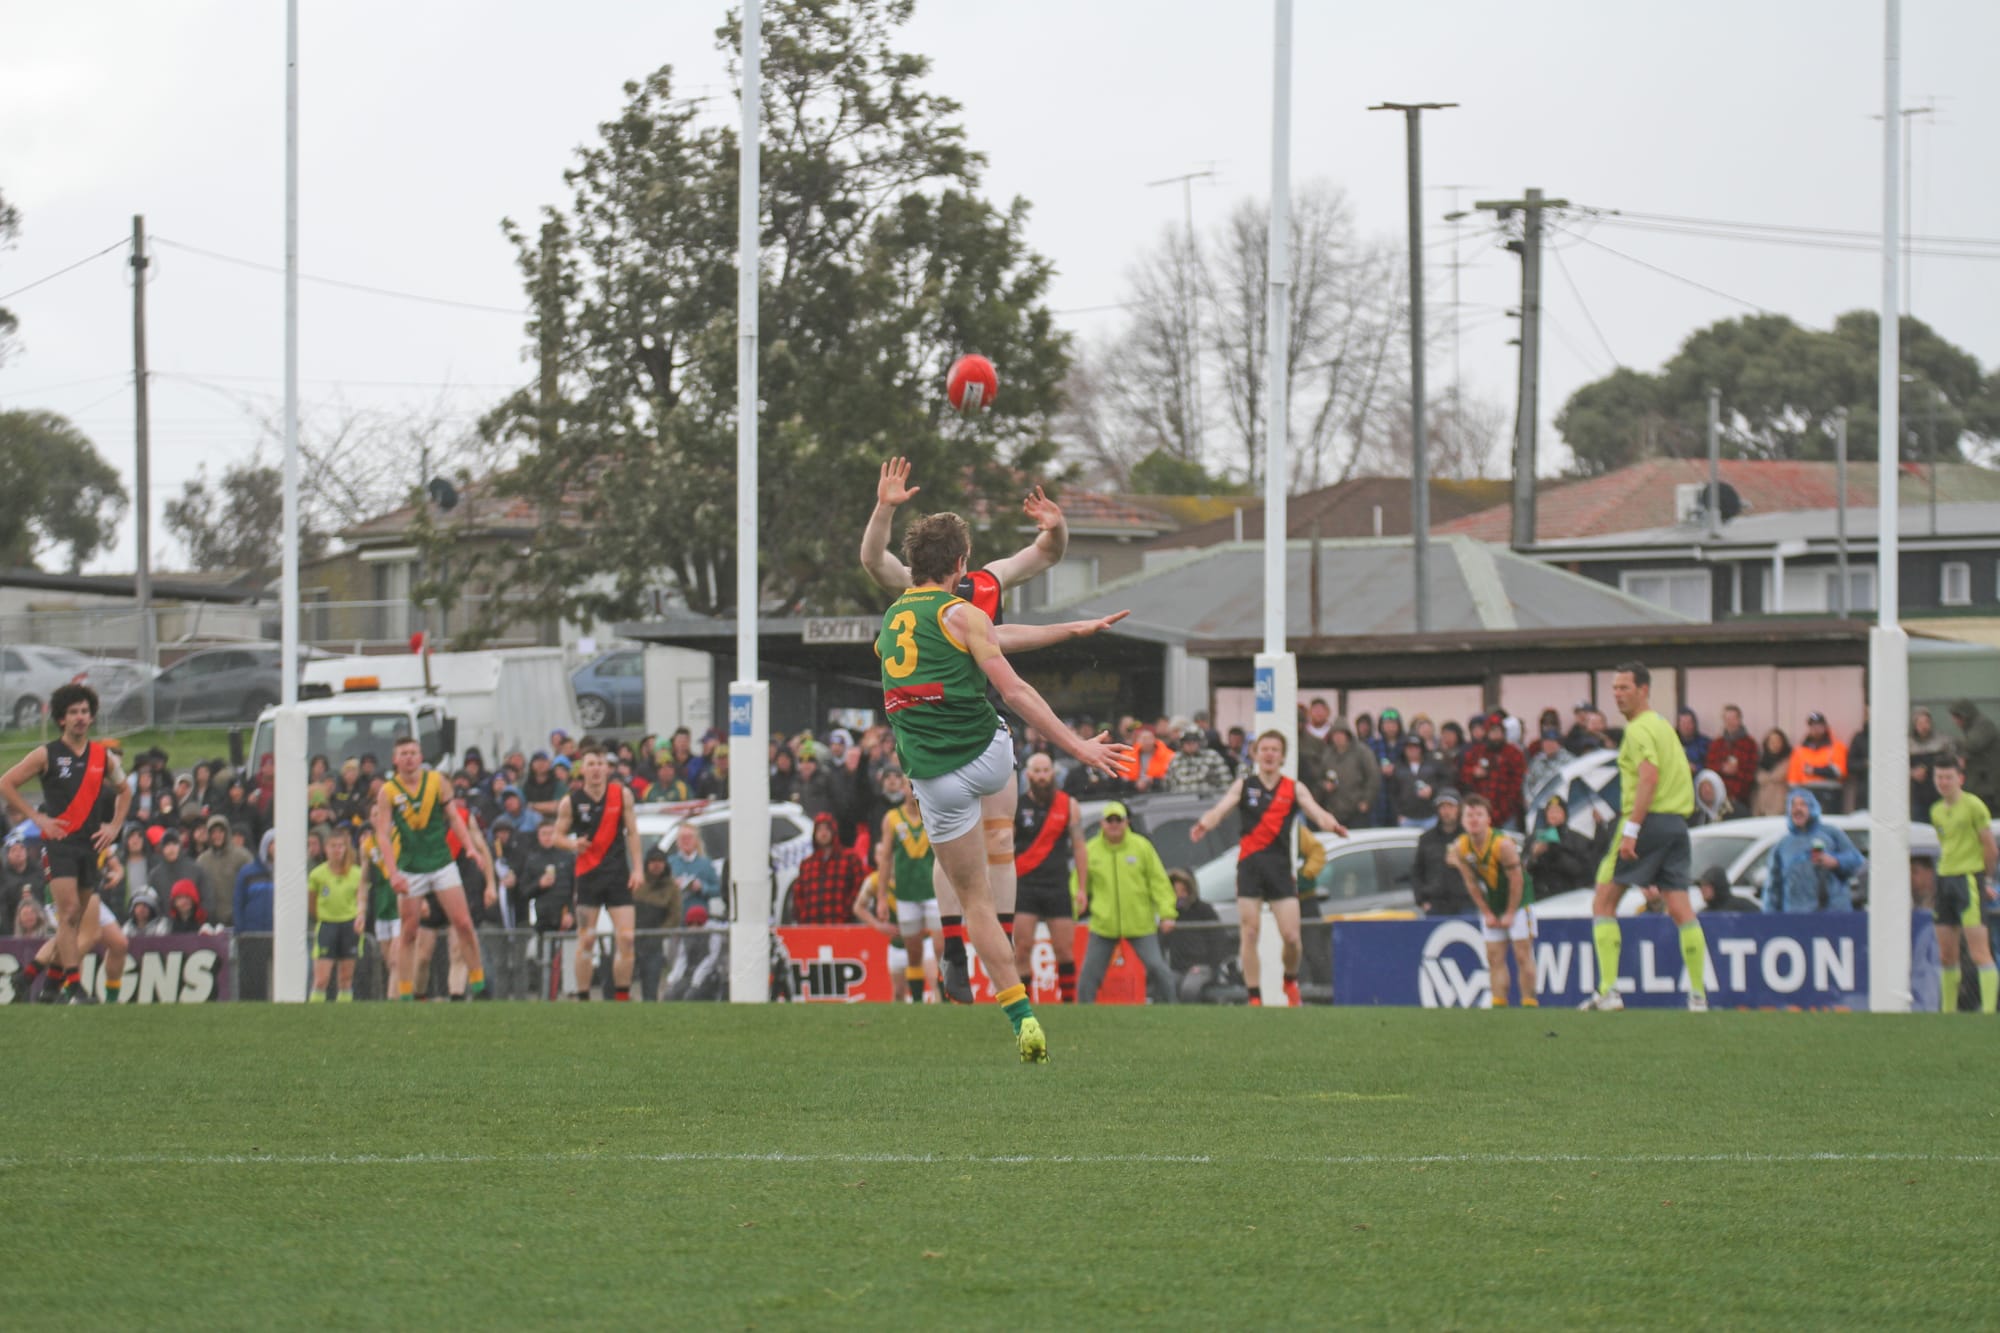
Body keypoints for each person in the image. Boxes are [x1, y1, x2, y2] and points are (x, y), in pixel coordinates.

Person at [861, 457, 1125, 1017]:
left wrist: (1057, 527)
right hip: (970, 727)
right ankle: (959, 950)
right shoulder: (932, 593)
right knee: (972, 845)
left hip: (947, 734)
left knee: (986, 838)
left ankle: (974, 947)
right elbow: (872, 560)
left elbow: (1046, 556)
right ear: (961, 559)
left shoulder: (980, 584)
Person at [1579, 662, 1710, 1012]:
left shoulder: (1637, 731)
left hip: (1646, 820)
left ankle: (1608, 990)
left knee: (1604, 901)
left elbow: (1648, 778)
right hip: (1675, 825)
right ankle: (1698, 995)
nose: (1618, 695)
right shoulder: (1664, 727)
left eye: (1625, 688)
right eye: (1615, 688)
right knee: (1681, 908)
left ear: (1644, 690)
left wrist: (1632, 830)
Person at [1189, 730, 1347, 1007]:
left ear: (1283, 756)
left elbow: (1316, 811)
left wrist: (1332, 825)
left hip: (1280, 871)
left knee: (1292, 937)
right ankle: (1254, 996)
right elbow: (1221, 808)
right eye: (1264, 749)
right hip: (1250, 868)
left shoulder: (1293, 788)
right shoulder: (1244, 785)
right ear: (1256, 754)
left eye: (1275, 749)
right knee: (1250, 932)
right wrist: (1205, 824)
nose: (1270, 754)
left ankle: (1290, 979)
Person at [0, 683, 132, 1004]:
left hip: (90, 846)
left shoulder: (102, 756)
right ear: (61, 718)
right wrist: (37, 818)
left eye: (85, 712)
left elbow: (125, 791)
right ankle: (74, 987)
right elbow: (6, 783)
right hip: (58, 843)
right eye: (73, 712)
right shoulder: (47, 753)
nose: (80, 717)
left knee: (73, 920)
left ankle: (37, 983)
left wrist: (114, 826)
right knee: (69, 911)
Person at [372, 735, 489, 1000]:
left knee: (463, 923)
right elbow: (383, 836)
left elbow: (454, 818)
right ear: (395, 759)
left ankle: (480, 986)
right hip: (411, 868)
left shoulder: (437, 781)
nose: (409, 758)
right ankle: (405, 994)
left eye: (413, 752)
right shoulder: (388, 792)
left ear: (421, 756)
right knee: (409, 931)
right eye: (404, 753)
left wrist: (469, 846)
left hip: (441, 863)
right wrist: (393, 873)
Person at [553, 742, 644, 1001]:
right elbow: (556, 837)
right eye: (591, 764)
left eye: (600, 764)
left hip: (617, 875)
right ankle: (583, 998)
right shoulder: (570, 802)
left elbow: (633, 833)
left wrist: (637, 869)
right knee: (587, 940)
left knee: (626, 938)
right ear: (582, 769)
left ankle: (622, 996)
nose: (596, 769)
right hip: (588, 876)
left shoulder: (621, 795)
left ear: (607, 768)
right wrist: (573, 844)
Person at [1078, 801, 1176, 1004]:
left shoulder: (1142, 847)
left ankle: (1173, 1007)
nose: (1114, 824)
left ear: (1127, 822)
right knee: (1088, 976)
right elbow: (1077, 886)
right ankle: (1082, 1013)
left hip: (1140, 922)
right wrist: (1074, 908)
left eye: (1118, 820)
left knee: (1158, 968)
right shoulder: (1090, 850)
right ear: (1101, 823)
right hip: (1103, 924)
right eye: (1109, 820)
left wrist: (1167, 913)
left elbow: (1159, 882)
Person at [1011, 753, 1088, 1003]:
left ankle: (1068, 1004)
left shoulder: (1068, 805)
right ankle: (1026, 1007)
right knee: (1022, 949)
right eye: (1038, 771)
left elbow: (1079, 847)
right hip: (1025, 884)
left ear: (1053, 774)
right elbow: (1003, 846)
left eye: (1046, 771)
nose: (1043, 776)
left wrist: (1082, 888)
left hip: (1057, 884)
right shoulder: (1016, 805)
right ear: (1028, 775)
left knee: (1064, 950)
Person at [1448, 794, 1536, 1008]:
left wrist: (1510, 912)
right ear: (1462, 820)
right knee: (1494, 956)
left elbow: (1517, 880)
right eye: (1469, 815)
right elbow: (1471, 883)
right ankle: (1499, 1002)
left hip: (1518, 902)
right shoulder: (1461, 847)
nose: (1474, 820)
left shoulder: (1502, 844)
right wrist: (1486, 912)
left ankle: (1529, 1001)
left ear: (1488, 819)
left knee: (1522, 954)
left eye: (1479, 815)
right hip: (1493, 902)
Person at [1927, 755, 1997, 1013]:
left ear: (1960, 779)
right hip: (1944, 880)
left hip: (1968, 879)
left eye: (1948, 777)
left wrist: (1985, 880)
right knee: (1947, 954)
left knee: (1979, 951)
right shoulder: (1936, 810)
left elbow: (1990, 847)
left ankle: (1989, 1013)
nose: (1943, 782)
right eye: (1939, 777)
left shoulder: (1973, 806)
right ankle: (1948, 1013)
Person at [1763, 789, 1863, 913]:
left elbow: (1857, 861)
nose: (1797, 809)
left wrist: (1836, 862)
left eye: (1803, 804)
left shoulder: (1831, 834)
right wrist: (1769, 918)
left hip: (1831, 917)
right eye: (1793, 805)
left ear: (1813, 808)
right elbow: (1773, 887)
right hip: (1795, 918)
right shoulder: (1783, 845)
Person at [308, 825, 365, 1002]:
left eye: (341, 846)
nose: (337, 850)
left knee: (346, 978)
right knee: (321, 979)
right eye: (333, 846)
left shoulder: (357, 873)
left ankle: (344, 1016)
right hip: (327, 925)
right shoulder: (317, 874)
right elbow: (312, 902)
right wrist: (322, 916)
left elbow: (361, 898)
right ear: (326, 849)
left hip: (349, 925)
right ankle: (315, 1016)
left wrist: (360, 916)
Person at [1163, 867, 1228, 1002]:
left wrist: (1212, 966)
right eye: (1176, 891)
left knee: (1189, 989)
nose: (1180, 896)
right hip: (1177, 968)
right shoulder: (1169, 914)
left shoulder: (1205, 910)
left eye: (1184, 891)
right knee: (1167, 985)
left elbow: (1218, 941)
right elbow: (1160, 944)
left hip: (1202, 966)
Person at [1457, 712, 1527, 830]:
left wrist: (1509, 804)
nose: (1496, 735)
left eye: (1499, 732)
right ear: (1487, 733)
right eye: (1492, 732)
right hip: (1481, 812)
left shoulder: (1514, 753)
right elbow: (1463, 774)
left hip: (1507, 813)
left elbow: (1519, 781)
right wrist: (1473, 772)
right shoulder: (1476, 752)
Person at [1524, 794, 1602, 900]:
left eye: (1557, 811)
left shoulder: (1576, 839)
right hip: (1541, 897)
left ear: (1565, 814)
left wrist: (1600, 828)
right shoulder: (1535, 838)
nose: (1553, 815)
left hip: (1570, 895)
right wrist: (1534, 856)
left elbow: (1587, 868)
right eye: (1550, 811)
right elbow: (1522, 869)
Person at [633, 845, 683, 1002]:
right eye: (653, 861)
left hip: (654, 943)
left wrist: (659, 934)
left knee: (651, 987)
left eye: (660, 861)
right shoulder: (636, 883)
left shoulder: (671, 887)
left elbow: (674, 916)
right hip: (631, 940)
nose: (656, 864)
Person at [1411, 790, 1472, 917]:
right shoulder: (1427, 839)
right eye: (1442, 807)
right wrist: (1421, 900)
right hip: (1436, 905)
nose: (1446, 811)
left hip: (1466, 904)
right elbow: (1417, 871)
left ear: (1459, 809)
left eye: (1450, 806)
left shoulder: (1469, 838)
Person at [1703, 705, 1759, 818]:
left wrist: (1736, 771)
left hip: (1741, 800)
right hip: (1718, 800)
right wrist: (1722, 768)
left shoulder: (1750, 744)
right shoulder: (1717, 744)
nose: (1730, 722)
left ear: (1739, 720)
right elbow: (1709, 768)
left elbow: (1752, 772)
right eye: (1727, 719)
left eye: (1733, 719)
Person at [1322, 720, 1379, 830]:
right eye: (1335, 734)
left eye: (1341, 734)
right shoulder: (1327, 755)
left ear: (1347, 735)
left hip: (1356, 810)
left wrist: (1366, 801)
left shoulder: (1362, 752)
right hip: (1334, 810)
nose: (1338, 737)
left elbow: (1373, 777)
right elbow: (1319, 777)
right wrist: (1324, 785)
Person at [1786, 711, 1847, 810]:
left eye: (1819, 725)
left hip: (1831, 795)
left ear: (1825, 726)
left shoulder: (1837, 747)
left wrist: (1814, 770)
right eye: (1812, 726)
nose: (1816, 729)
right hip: (1806, 796)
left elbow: (1840, 772)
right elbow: (1793, 780)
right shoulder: (1799, 750)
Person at [1948, 699, 2000, 807]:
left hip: (1989, 785)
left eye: (1957, 718)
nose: (1955, 722)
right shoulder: (1971, 727)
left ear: (1964, 716)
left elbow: (1973, 745)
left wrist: (1956, 744)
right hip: (1980, 783)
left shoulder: (1984, 725)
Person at [1387, 735, 1448, 828]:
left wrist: (1432, 790)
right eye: (1409, 747)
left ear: (1421, 748)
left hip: (1430, 815)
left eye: (1416, 747)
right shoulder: (1398, 767)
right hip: (1407, 817)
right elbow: (1392, 793)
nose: (1412, 750)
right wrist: (1398, 814)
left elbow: (1446, 781)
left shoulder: (1433, 764)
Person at [1908, 707, 1949, 822]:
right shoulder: (1908, 743)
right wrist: (1912, 773)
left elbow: (1948, 762)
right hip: (1917, 795)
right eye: (1920, 723)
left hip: (1938, 791)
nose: (1924, 726)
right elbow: (1898, 768)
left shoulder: (1941, 741)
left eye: (1926, 722)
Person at [1165, 727, 1231, 797]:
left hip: (1207, 800)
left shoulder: (1212, 756)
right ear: (1181, 743)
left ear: (1201, 742)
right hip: (1180, 800)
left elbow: (1226, 782)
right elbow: (1167, 785)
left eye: (1194, 740)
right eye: (1186, 741)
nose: (1190, 744)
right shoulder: (1175, 759)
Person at [1753, 728, 1793, 817]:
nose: (1774, 744)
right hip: (1763, 810)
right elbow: (1756, 791)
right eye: (1771, 741)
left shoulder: (1790, 760)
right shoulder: (1760, 762)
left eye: (1778, 740)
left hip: (1782, 808)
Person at [1675, 707, 1711, 774]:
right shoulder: (1671, 742)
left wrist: (1696, 768)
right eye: (1683, 723)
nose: (1686, 727)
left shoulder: (1705, 743)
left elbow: (1711, 764)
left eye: (1689, 723)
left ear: (1694, 724)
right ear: (1678, 725)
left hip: (1699, 777)